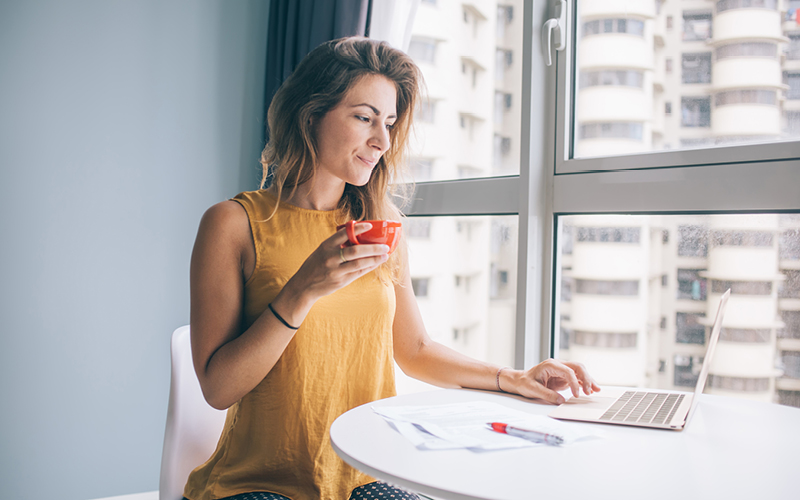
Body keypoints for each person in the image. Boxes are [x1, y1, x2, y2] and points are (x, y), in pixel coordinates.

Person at [184, 36, 599, 500]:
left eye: (389, 122)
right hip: (259, 483)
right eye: (364, 118)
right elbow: (218, 388)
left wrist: (514, 378)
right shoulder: (233, 224)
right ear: (311, 114)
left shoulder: (383, 225)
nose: (381, 140)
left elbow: (415, 348)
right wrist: (300, 292)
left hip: (364, 475)